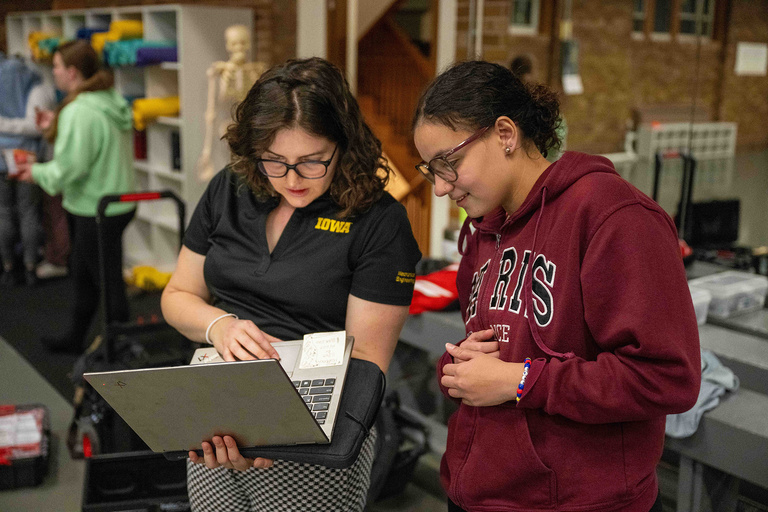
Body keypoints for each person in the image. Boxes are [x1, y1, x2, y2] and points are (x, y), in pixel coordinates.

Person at [411, 60, 701, 512]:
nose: (441, 188)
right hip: (478, 490)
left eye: (449, 163)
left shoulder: (613, 217)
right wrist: (461, 370)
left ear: (505, 133)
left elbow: (667, 378)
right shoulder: (486, 226)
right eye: (431, 170)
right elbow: (499, 347)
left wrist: (521, 380)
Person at [160, 57, 421, 512]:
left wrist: (268, 419)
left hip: (316, 429)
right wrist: (220, 326)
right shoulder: (230, 189)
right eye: (275, 162)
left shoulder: (380, 222)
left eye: (311, 162)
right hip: (219, 416)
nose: (292, 180)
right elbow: (178, 296)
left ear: (343, 146)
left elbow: (365, 364)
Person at [17, 40, 135, 353]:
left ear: (71, 72)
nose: (52, 72)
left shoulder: (80, 109)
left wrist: (37, 172)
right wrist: (56, 126)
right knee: (85, 274)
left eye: (55, 66)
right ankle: (77, 338)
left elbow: (72, 166)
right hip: (116, 203)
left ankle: (122, 345)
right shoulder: (108, 99)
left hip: (95, 207)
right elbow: (93, 143)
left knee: (106, 280)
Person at [0, 53, 54, 287]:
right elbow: (36, 123)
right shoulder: (29, 75)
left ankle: (9, 267)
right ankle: (32, 267)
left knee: (3, 213)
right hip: (26, 154)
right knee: (29, 212)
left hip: (1, 153)